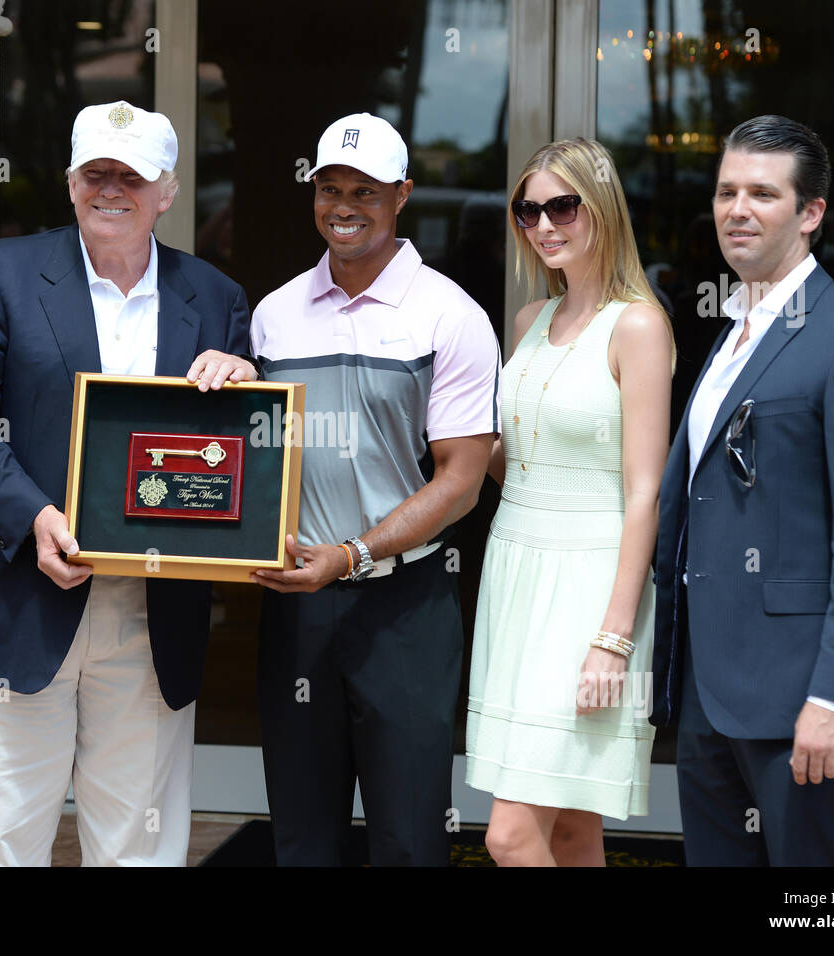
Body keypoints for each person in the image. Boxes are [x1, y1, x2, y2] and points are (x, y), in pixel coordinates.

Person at [0, 101, 254, 867]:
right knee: (4, 844)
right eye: (95, 173)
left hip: (154, 613)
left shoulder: (216, 298)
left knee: (137, 847)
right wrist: (33, 516)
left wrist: (243, 383)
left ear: (167, 191)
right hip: (23, 597)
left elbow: (232, 456)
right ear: (71, 184)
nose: (112, 189)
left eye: (131, 177)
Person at [651, 115, 834, 866]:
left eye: (762, 194)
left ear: (810, 214)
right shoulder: (729, 337)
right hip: (709, 692)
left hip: (805, 698)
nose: (737, 208)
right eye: (727, 190)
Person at [251, 112, 500, 866]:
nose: (343, 205)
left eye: (365, 190)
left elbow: (461, 482)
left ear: (402, 197)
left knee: (409, 837)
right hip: (297, 604)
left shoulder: (450, 316)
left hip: (406, 607)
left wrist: (353, 554)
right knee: (302, 835)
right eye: (330, 188)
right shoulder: (272, 317)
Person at [464, 139, 673, 866]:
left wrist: (613, 639)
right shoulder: (528, 320)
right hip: (516, 573)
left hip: (591, 588)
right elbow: (512, 464)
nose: (544, 224)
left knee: (510, 835)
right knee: (574, 827)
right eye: (528, 210)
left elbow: (644, 489)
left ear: (601, 208)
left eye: (562, 206)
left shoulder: (639, 325)